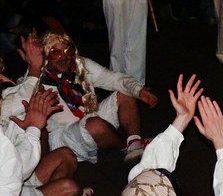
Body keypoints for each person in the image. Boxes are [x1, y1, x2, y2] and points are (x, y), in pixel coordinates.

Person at [1, 31, 157, 165]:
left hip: (90, 117)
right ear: (44, 56)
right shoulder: (32, 82)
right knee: (95, 125)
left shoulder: (80, 65)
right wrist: (33, 69)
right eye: (55, 53)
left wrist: (138, 90)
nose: (64, 57)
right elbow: (11, 110)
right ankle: (126, 147)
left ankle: (134, 142)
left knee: (125, 93)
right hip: (64, 137)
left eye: (67, 50)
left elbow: (115, 79)